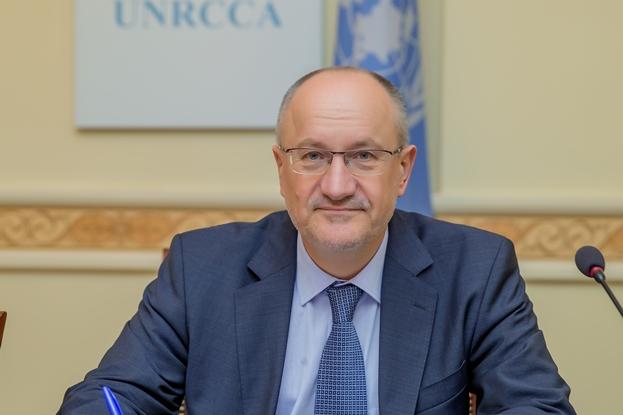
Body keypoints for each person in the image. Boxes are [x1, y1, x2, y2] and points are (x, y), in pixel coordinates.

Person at [58, 67, 575, 414]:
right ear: (281, 169)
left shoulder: (475, 269)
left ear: (403, 170)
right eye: (312, 156)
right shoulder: (201, 268)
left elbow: (537, 405)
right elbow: (110, 395)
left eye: (364, 156)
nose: (337, 185)